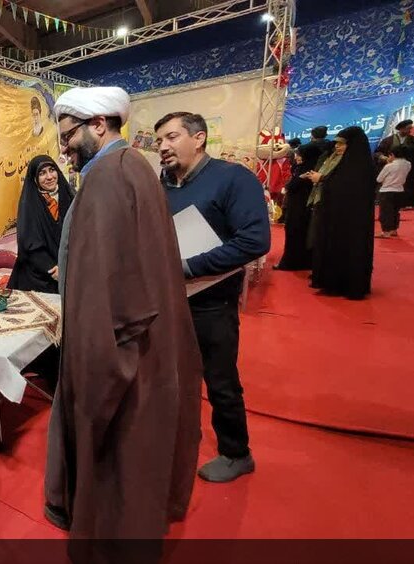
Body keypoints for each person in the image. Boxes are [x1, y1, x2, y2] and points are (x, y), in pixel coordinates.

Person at [44, 87, 203, 557]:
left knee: (118, 463)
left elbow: (106, 295)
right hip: (149, 346)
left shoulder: (107, 177)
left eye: (68, 135)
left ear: (99, 125)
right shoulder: (132, 166)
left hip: (122, 356)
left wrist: (93, 379)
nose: (64, 147)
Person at [154, 112, 270, 483]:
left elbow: (254, 240)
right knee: (169, 376)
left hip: (213, 303)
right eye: (159, 141)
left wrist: (190, 266)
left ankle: (236, 453)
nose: (163, 146)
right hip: (169, 299)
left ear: (199, 137)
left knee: (220, 381)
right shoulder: (163, 184)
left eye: (171, 137)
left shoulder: (233, 179)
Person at [305, 126, 376, 299]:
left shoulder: (359, 166)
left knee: (350, 249)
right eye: (336, 143)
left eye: (342, 143)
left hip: (351, 221)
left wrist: (322, 179)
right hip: (338, 217)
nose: (337, 146)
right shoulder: (344, 163)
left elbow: (344, 188)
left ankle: (346, 285)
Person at [7, 156, 73, 293]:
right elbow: (30, 245)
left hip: (70, 271)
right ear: (35, 178)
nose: (49, 177)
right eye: (42, 173)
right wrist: (54, 269)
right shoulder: (29, 204)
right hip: (38, 278)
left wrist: (67, 267)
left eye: (52, 170)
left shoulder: (70, 197)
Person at [275, 143, 323, 271]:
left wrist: (296, 181)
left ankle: (292, 262)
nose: (296, 157)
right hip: (301, 208)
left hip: (300, 209)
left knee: (296, 234)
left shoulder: (307, 170)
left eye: (299, 155)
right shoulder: (305, 167)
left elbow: (292, 186)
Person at [376, 120, 414, 208]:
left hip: (408, 169)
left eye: (410, 128)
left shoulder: (413, 140)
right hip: (393, 168)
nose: (409, 130)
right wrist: (385, 158)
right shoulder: (388, 140)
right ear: (401, 129)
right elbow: (378, 152)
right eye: (408, 128)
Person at [376, 145, 411, 238]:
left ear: (392, 154)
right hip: (400, 190)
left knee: (386, 212)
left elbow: (379, 179)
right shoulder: (408, 164)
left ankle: (386, 231)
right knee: (395, 211)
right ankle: (394, 230)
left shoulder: (389, 166)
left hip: (387, 191)